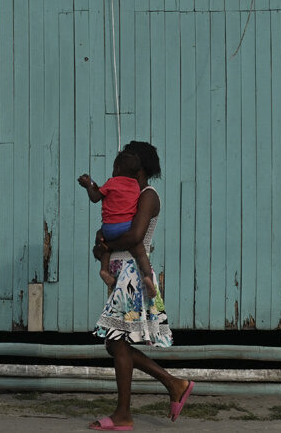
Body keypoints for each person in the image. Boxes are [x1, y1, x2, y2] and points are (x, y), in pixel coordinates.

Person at [88, 140, 195, 431]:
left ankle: (125, 414)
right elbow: (106, 236)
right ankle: (174, 384)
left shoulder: (148, 195)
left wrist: (106, 242)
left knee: (116, 343)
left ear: (140, 166)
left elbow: (135, 236)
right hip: (120, 272)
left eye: (125, 158)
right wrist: (101, 248)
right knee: (115, 344)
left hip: (134, 275)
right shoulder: (124, 197)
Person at [78, 150, 157, 297]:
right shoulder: (136, 188)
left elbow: (96, 196)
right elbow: (133, 236)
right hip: (125, 227)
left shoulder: (112, 183)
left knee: (106, 250)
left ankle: (104, 270)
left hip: (108, 229)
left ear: (118, 169)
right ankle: (148, 277)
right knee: (140, 253)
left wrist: (90, 184)